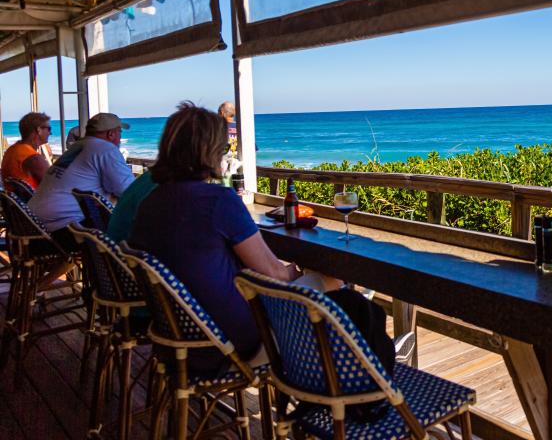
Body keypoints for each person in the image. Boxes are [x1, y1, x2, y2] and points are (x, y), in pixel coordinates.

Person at [129, 102, 393, 378]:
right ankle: (351, 371)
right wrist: (300, 271)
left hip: (177, 339)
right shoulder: (218, 202)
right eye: (221, 147)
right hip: (233, 343)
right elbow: (275, 275)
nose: (224, 152)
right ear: (207, 152)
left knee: (320, 287)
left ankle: (344, 361)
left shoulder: (150, 203)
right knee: (329, 279)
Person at [28, 113, 135, 250]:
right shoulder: (105, 149)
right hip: (61, 231)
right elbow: (130, 192)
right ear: (111, 134)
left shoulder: (77, 147)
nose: (120, 138)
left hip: (32, 225)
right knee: (134, 233)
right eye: (119, 132)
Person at [1, 112, 52, 189]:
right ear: (39, 130)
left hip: (19, 199)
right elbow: (54, 186)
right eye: (48, 129)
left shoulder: (12, 150)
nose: (50, 133)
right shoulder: (33, 158)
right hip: (34, 200)